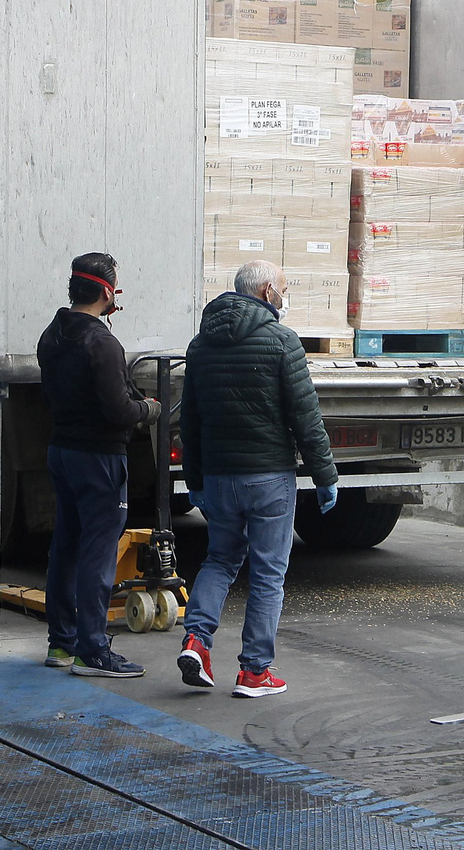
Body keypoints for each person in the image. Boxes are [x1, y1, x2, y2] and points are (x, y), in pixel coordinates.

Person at [176, 259, 339, 698]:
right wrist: (324, 475)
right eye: (283, 289)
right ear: (268, 291)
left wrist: (195, 479)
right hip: (268, 479)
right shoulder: (283, 342)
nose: (284, 297)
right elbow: (306, 417)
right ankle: (254, 671)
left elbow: (189, 421)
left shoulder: (200, 345)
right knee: (268, 572)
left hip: (219, 477)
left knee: (220, 559)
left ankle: (196, 640)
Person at [36, 251, 160, 677]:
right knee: (98, 552)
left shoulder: (51, 335)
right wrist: (149, 410)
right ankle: (94, 650)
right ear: (108, 293)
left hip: (63, 451)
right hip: (101, 459)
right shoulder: (103, 343)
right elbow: (118, 410)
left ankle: (62, 644)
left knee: (66, 546)